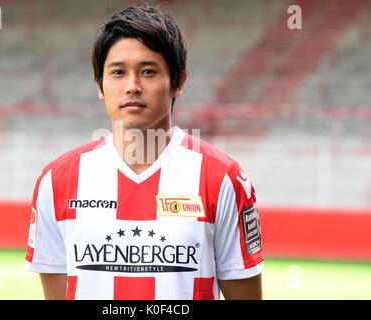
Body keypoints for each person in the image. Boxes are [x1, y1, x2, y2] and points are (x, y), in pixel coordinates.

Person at [25, 4, 263, 300]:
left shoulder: (223, 179)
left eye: (148, 71)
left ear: (178, 83)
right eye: (118, 72)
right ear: (100, 85)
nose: (133, 86)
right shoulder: (56, 181)